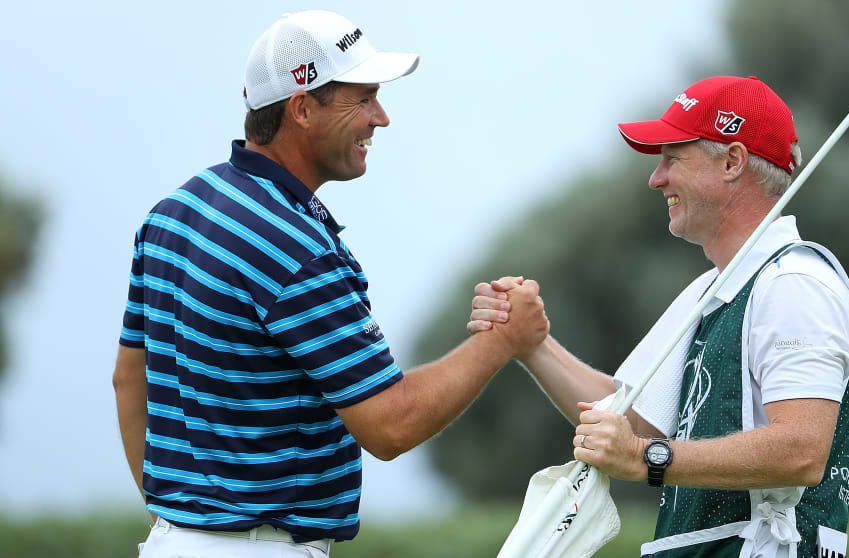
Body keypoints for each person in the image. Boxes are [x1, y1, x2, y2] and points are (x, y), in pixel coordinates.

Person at [113, 11, 548, 558]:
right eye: (363, 98)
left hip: (168, 544)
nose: (381, 118)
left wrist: (177, 520)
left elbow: (129, 380)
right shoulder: (296, 248)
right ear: (302, 108)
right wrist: (502, 339)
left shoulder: (173, 214)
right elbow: (391, 424)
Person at [469, 76, 849, 558]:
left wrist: (645, 460)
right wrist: (531, 344)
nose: (657, 178)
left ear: (733, 162)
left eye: (672, 158)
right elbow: (625, 421)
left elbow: (802, 450)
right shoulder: (713, 289)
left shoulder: (793, 283)